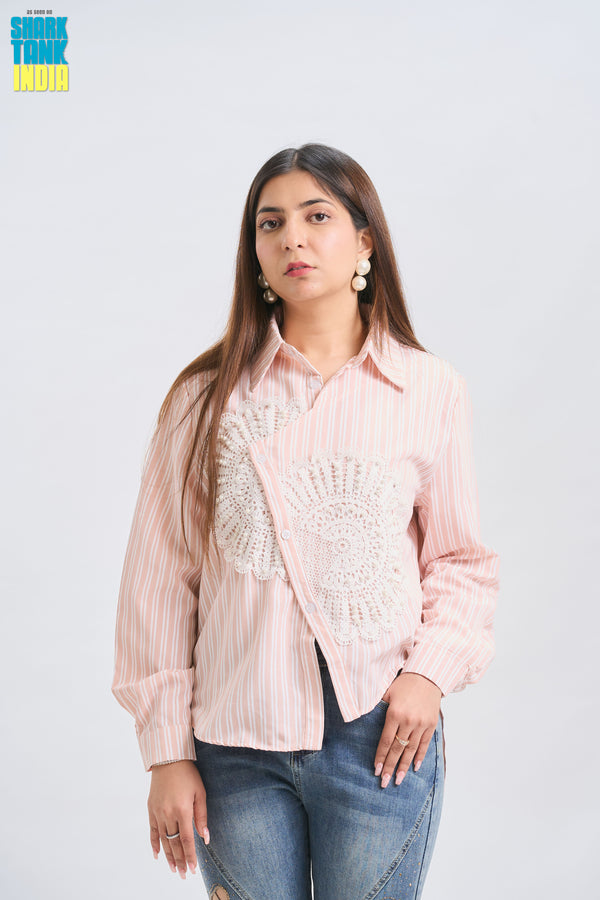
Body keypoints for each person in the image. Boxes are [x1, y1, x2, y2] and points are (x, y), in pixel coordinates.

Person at [112, 143, 499, 900]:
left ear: (364, 241)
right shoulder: (204, 400)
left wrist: (427, 676)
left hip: (379, 738)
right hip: (232, 745)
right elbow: (158, 581)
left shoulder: (427, 389)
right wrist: (166, 751)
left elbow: (460, 562)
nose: (292, 237)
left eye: (317, 216)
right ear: (254, 253)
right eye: (271, 222)